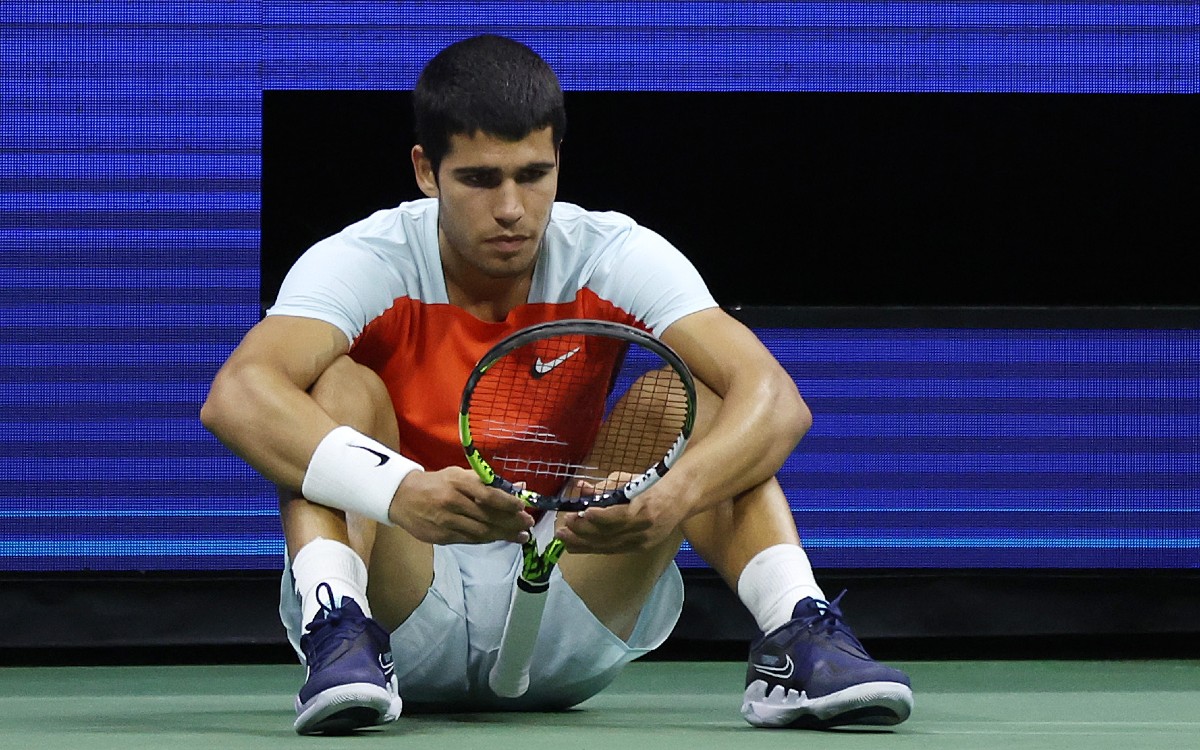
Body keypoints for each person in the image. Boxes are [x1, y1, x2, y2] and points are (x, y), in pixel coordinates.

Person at [201, 33, 913, 735]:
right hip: (399, 600)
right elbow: (238, 394)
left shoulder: (611, 251)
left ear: (559, 164)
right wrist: (401, 492)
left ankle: (798, 631)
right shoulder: (366, 260)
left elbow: (775, 398)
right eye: (480, 179)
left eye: (533, 175)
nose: (511, 208)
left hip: (572, 590)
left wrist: (671, 501)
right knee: (331, 389)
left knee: (702, 400)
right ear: (426, 171)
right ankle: (336, 624)